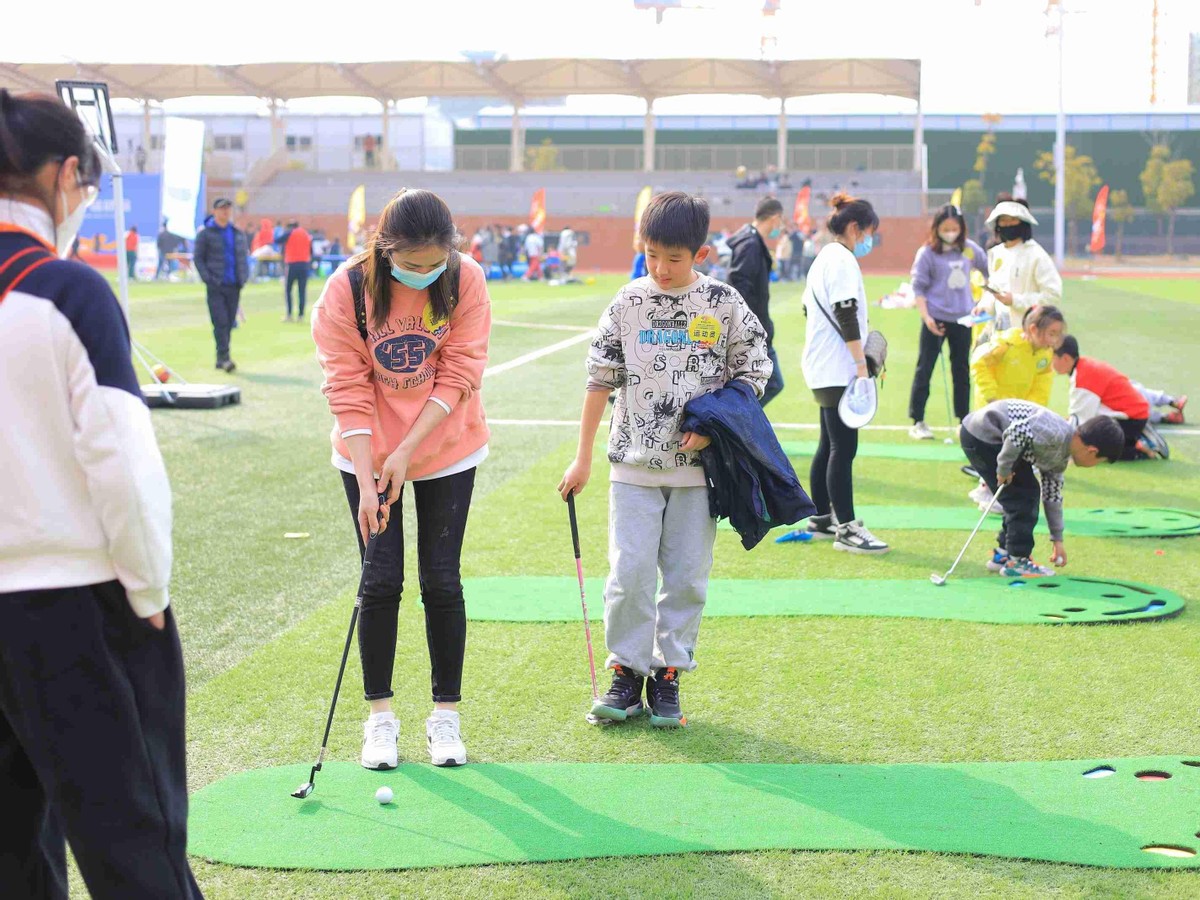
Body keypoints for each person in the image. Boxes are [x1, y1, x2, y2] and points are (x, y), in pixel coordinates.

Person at [0, 88, 201, 899]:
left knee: (13, 856)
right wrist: (148, 587)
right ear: (66, 175)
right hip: (76, 605)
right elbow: (120, 461)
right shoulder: (65, 290)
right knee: (134, 841)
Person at [557, 191, 770, 728]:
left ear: (700, 254)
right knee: (628, 574)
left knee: (687, 578)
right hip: (631, 466)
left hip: (700, 476)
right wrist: (582, 458)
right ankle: (626, 672)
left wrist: (714, 426)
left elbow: (755, 370)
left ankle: (668, 672)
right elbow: (599, 379)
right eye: (651, 254)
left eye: (674, 258)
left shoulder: (723, 304)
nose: (661, 268)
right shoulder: (628, 302)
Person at [311, 188, 491, 770]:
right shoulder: (346, 291)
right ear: (384, 251)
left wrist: (407, 450)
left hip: (445, 444)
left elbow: (461, 371)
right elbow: (346, 386)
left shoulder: (466, 281)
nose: (423, 275)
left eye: (432, 265)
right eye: (411, 266)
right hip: (365, 451)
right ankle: (380, 720)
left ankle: (446, 718)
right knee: (380, 579)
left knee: (441, 579)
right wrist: (368, 479)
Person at [800, 194, 889, 554]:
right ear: (855, 229)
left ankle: (822, 517)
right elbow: (846, 311)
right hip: (838, 366)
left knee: (829, 443)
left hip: (823, 365)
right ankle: (848, 529)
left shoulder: (823, 256)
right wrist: (859, 363)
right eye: (869, 233)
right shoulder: (841, 260)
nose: (870, 240)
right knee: (843, 446)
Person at [960, 401, 1124, 577]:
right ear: (1092, 451)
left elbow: (1052, 496)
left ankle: (1005, 554)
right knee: (1023, 496)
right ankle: (1017, 560)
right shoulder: (1055, 433)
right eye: (1100, 461)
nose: (1095, 466)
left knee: (1025, 494)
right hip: (983, 433)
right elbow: (1016, 432)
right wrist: (1004, 468)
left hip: (989, 437)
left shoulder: (1060, 456)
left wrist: (1057, 539)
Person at [969, 305, 1066, 512]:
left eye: (1057, 335)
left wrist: (1033, 408)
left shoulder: (1044, 355)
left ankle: (990, 490)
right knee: (996, 451)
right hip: (992, 409)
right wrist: (991, 396)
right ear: (1033, 329)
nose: (1054, 340)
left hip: (1017, 413)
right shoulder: (1006, 344)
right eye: (1051, 333)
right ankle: (988, 492)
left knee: (1012, 451)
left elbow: (1042, 381)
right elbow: (979, 363)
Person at [907, 205, 988, 440]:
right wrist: (927, 318)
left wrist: (983, 301)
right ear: (937, 229)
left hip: (963, 319)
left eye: (954, 228)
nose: (950, 232)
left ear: (961, 228)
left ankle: (964, 421)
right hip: (935, 319)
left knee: (961, 371)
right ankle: (918, 420)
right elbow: (918, 287)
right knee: (925, 369)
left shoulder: (970, 250)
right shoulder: (928, 254)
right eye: (945, 229)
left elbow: (988, 271)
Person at [1052, 336, 1184, 460]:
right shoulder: (1085, 366)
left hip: (1131, 419)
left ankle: (1142, 449)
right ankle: (1136, 440)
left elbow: (1081, 422)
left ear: (1065, 359)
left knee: (1095, 450)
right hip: (1135, 414)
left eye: (1053, 358)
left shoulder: (1083, 378)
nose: (1051, 363)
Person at [728, 196, 787, 407]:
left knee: (766, 384)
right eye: (780, 221)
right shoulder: (750, 245)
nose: (780, 227)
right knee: (772, 383)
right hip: (753, 331)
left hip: (756, 328)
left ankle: (738, 425)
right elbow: (739, 288)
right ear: (775, 218)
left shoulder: (751, 242)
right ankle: (734, 425)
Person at [979, 199, 1061, 336]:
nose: (1008, 224)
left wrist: (1016, 300)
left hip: (1028, 332)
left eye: (1013, 220)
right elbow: (994, 288)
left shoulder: (1036, 255)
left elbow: (1052, 295)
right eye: (1003, 220)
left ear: (1023, 223)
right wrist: (983, 306)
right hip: (998, 330)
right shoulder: (996, 253)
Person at [193, 198, 249, 372]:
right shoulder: (206, 234)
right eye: (222, 209)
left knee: (230, 321)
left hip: (234, 284)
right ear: (215, 211)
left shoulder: (237, 233)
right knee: (220, 321)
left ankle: (220, 358)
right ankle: (225, 358)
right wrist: (207, 278)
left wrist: (243, 277)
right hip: (216, 284)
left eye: (227, 209)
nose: (225, 212)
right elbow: (198, 258)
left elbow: (242, 257)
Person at [281, 219, 313, 323]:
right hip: (304, 264)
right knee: (302, 291)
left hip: (292, 264)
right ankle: (301, 315)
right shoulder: (306, 234)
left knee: (288, 290)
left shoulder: (289, 233)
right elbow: (311, 251)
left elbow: (277, 239)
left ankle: (289, 314)